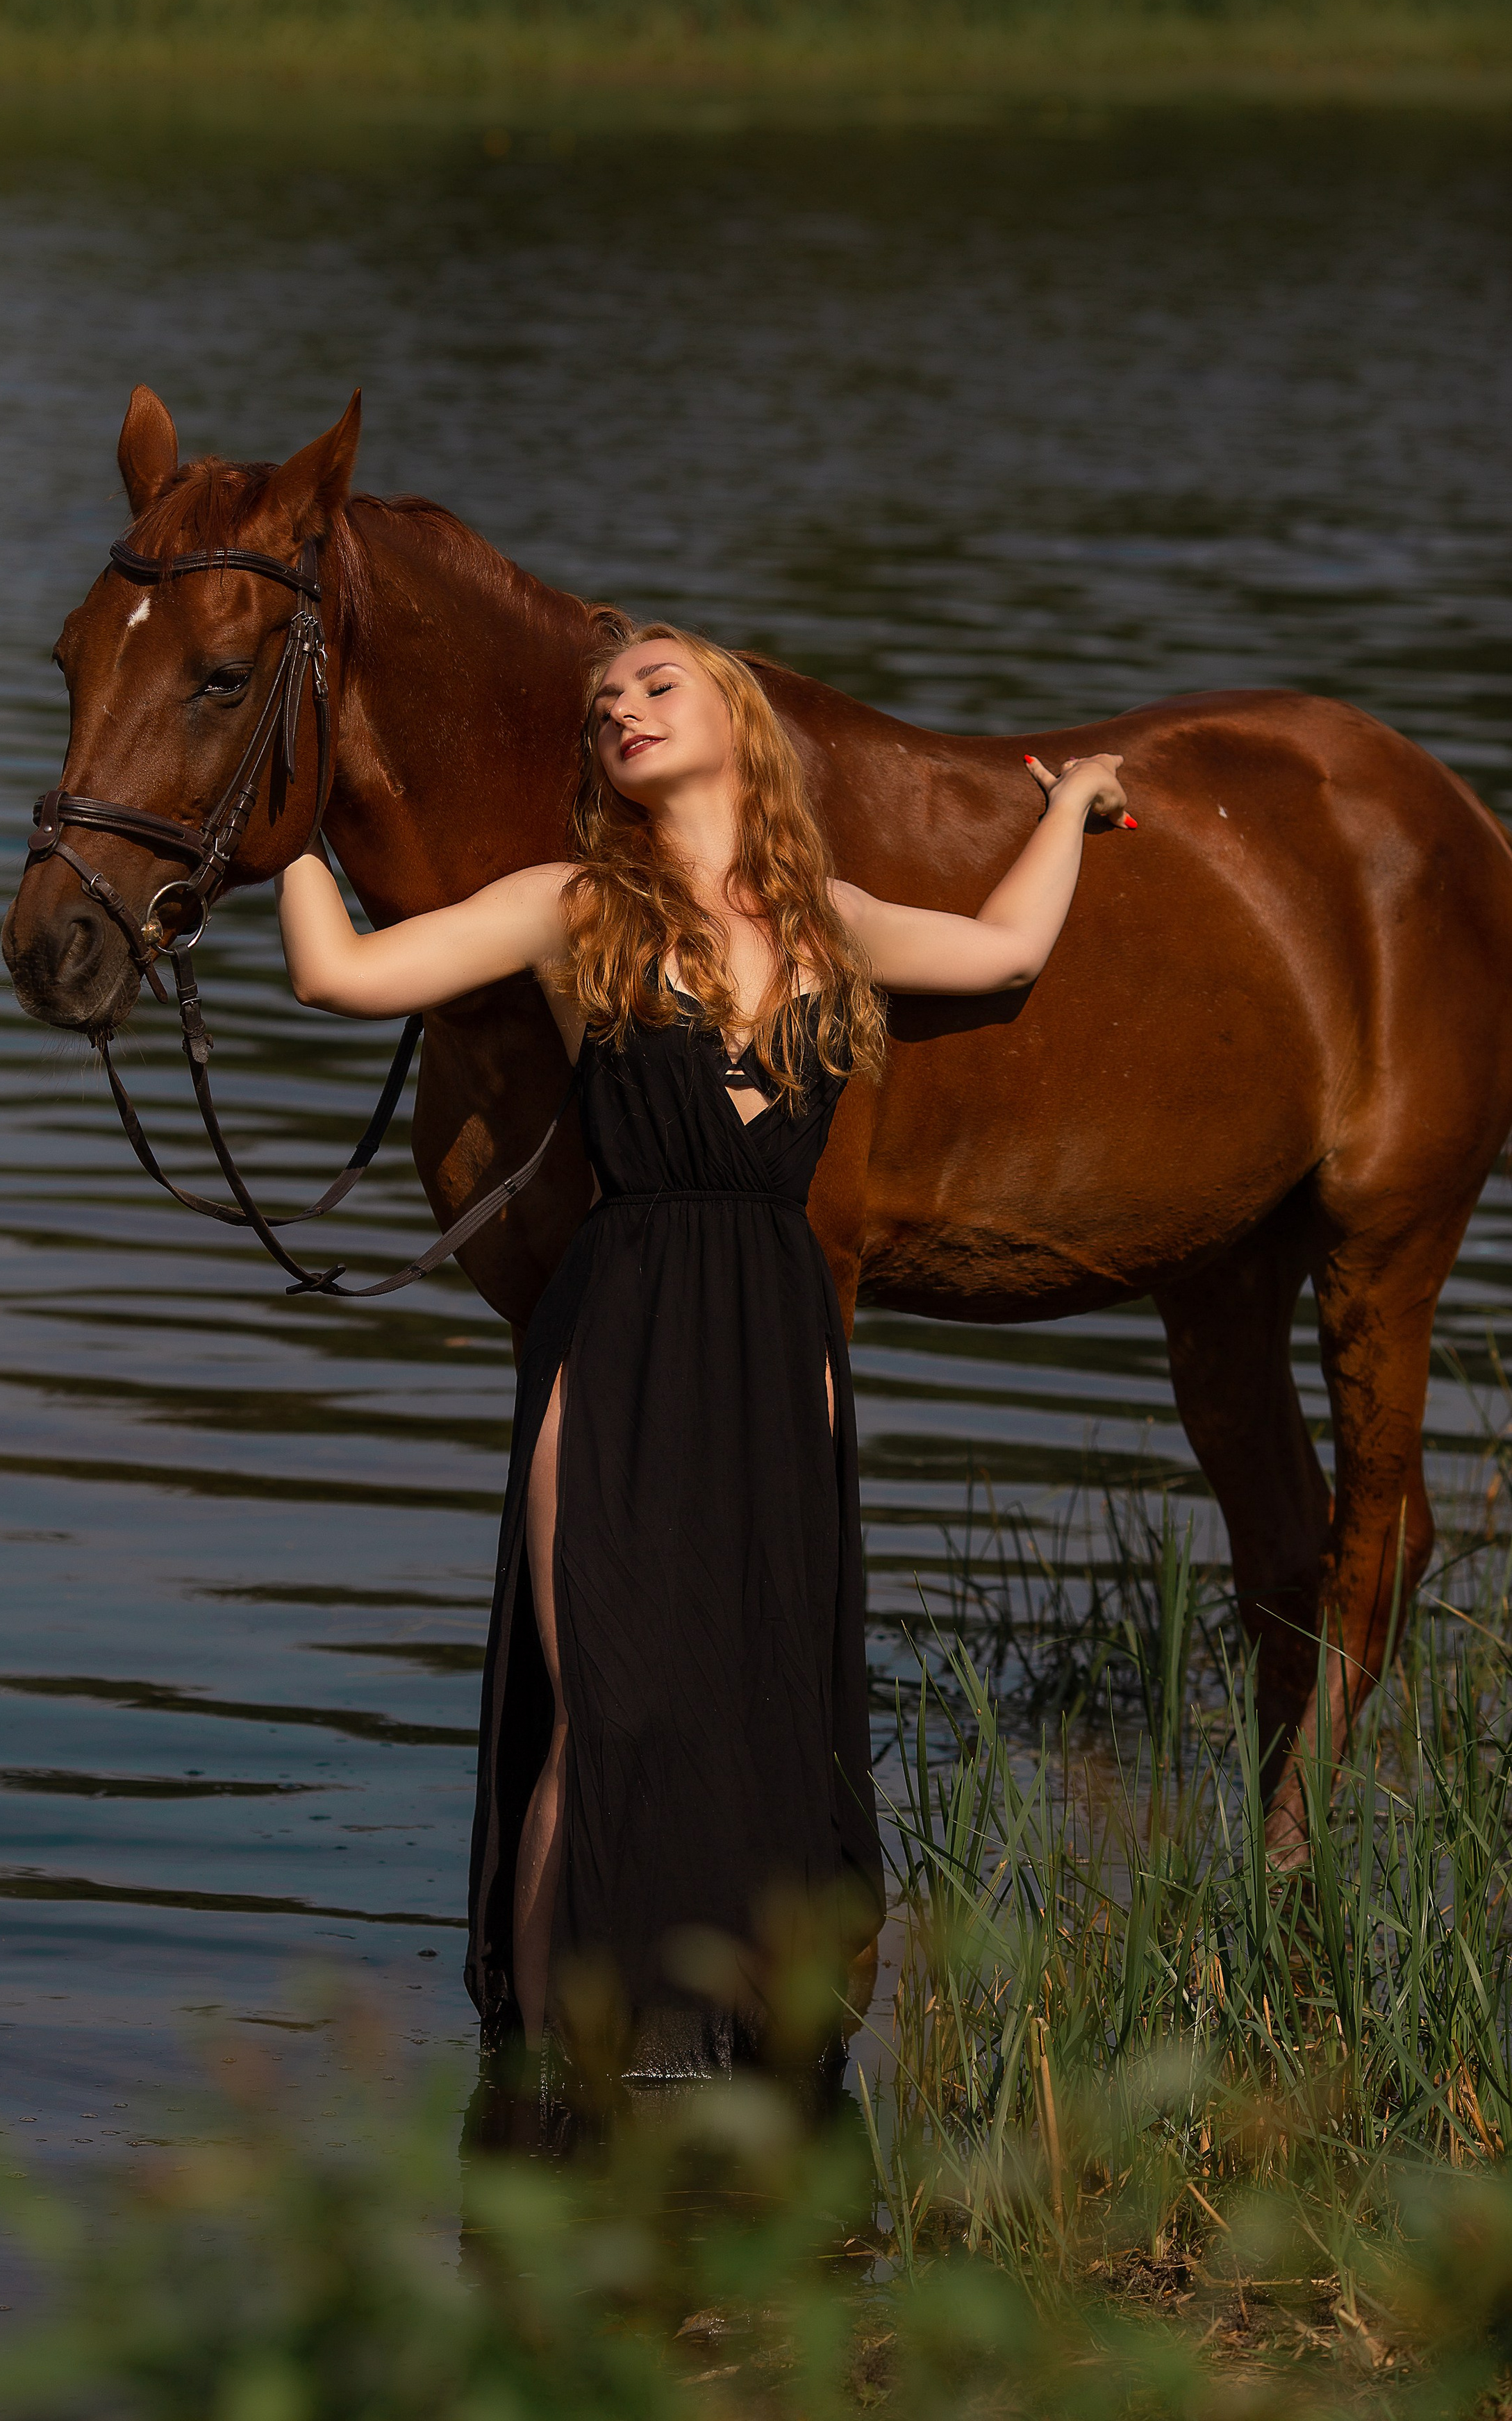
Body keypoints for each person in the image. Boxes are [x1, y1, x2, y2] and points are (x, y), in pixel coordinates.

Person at [274, 617, 1130, 2084]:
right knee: (596, 1705)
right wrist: (286, 829)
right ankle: (548, 2088)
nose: (619, 711)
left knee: (749, 1700)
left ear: (737, 718)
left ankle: (731, 2054)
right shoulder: (568, 903)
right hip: (618, 1326)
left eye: (654, 686)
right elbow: (339, 976)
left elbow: (1001, 954)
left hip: (773, 1339)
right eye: (602, 703)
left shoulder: (829, 922)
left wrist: (1063, 807)